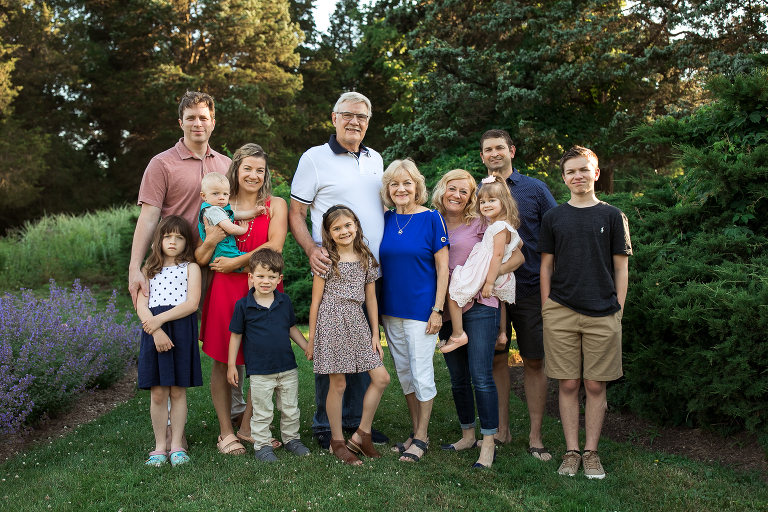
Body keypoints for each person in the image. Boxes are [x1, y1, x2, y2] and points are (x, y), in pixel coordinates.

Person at [130, 91, 229, 451]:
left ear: (213, 121)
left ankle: (233, 417)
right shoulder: (162, 163)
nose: (197, 123)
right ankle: (172, 432)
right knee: (171, 339)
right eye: (191, 118)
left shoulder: (227, 164)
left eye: (203, 117)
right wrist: (136, 267)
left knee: (224, 337)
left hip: (218, 265)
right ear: (181, 122)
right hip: (174, 267)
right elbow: (149, 217)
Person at [289, 91, 389, 449]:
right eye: (347, 114)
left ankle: (356, 422)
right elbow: (296, 212)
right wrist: (311, 249)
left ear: (368, 122)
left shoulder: (376, 159)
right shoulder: (314, 158)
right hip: (333, 271)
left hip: (368, 268)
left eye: (362, 117)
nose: (354, 122)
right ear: (334, 118)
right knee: (331, 348)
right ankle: (324, 424)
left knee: (361, 345)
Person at [539, 146, 632, 479]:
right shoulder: (554, 217)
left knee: (594, 385)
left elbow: (621, 268)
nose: (577, 176)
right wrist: (547, 307)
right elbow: (546, 266)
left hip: (604, 312)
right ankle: (571, 452)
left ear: (596, 173)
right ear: (564, 178)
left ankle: (591, 453)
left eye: (583, 170)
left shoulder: (613, 216)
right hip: (561, 311)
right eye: (571, 172)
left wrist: (618, 310)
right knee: (567, 383)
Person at [197, 143, 288, 456]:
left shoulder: (275, 205)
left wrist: (237, 262)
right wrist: (211, 241)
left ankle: (248, 426)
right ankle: (226, 432)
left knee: (262, 359)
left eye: (260, 170)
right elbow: (201, 256)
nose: (253, 175)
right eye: (247, 168)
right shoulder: (219, 204)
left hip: (263, 290)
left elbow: (275, 246)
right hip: (225, 290)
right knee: (223, 360)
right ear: (236, 169)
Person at [432, 170, 524, 469]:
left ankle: (488, 442)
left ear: (471, 197)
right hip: (448, 307)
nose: (457, 195)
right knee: (458, 378)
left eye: (464, 191)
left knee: (481, 375)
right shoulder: (431, 221)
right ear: (442, 190)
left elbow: (518, 256)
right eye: (452, 189)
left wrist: (490, 277)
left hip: (481, 305)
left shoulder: (481, 222)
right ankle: (467, 435)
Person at [480, 129, 558, 460]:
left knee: (534, 360)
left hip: (529, 288)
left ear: (511, 151)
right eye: (488, 149)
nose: (494, 153)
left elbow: (556, 231)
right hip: (490, 293)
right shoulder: (478, 191)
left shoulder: (535, 189)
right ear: (482, 156)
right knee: (496, 357)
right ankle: (502, 430)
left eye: (500, 147)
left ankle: (536, 436)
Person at [308, 205, 391, 465]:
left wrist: (375, 334)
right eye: (337, 228)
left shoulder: (366, 256)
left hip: (358, 320)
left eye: (347, 225)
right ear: (329, 233)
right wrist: (312, 339)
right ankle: (337, 442)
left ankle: (361, 435)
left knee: (381, 378)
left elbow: (371, 300)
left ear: (356, 225)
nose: (344, 231)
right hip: (331, 320)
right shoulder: (326, 260)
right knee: (339, 384)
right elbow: (315, 301)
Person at [379, 159, 449, 463]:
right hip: (390, 309)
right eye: (394, 184)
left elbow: (443, 268)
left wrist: (438, 309)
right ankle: (416, 430)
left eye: (407, 183)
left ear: (417, 186)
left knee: (421, 373)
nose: (401, 189)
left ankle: (422, 437)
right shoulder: (385, 219)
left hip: (422, 309)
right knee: (405, 374)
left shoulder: (432, 218)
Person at [227, 249, 312, 462]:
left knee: (290, 408)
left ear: (279, 279)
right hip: (260, 371)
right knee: (262, 411)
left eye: (271, 277)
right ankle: (263, 445)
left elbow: (291, 328)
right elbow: (235, 336)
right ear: (251, 277)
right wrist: (231, 365)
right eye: (261, 276)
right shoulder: (243, 306)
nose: (266, 281)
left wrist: (306, 346)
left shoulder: (284, 301)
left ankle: (292, 439)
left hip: (287, 367)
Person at [136, 216, 203, 467]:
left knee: (177, 390)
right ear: (159, 240)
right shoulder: (148, 270)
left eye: (179, 237)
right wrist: (155, 331)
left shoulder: (191, 268)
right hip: (153, 332)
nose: (173, 241)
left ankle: (176, 446)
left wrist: (159, 321)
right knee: (158, 392)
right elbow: (141, 306)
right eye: (167, 236)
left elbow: (192, 304)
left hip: (180, 328)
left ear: (186, 242)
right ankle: (159, 447)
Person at [443, 175, 522, 353]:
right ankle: (503, 333)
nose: (486, 205)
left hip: (485, 269)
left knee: (454, 288)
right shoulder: (499, 224)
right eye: (483, 202)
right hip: (488, 268)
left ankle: (458, 333)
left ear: (504, 203)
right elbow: (517, 242)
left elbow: (501, 254)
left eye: (491, 200)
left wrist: (489, 281)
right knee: (499, 299)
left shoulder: (495, 226)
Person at [198, 172, 268, 265]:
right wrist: (243, 229)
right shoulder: (213, 210)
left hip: (221, 251)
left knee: (254, 263)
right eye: (215, 193)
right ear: (204, 196)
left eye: (225, 194)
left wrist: (253, 212)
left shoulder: (216, 209)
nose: (221, 197)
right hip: (223, 251)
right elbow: (230, 228)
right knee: (256, 262)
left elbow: (234, 214)